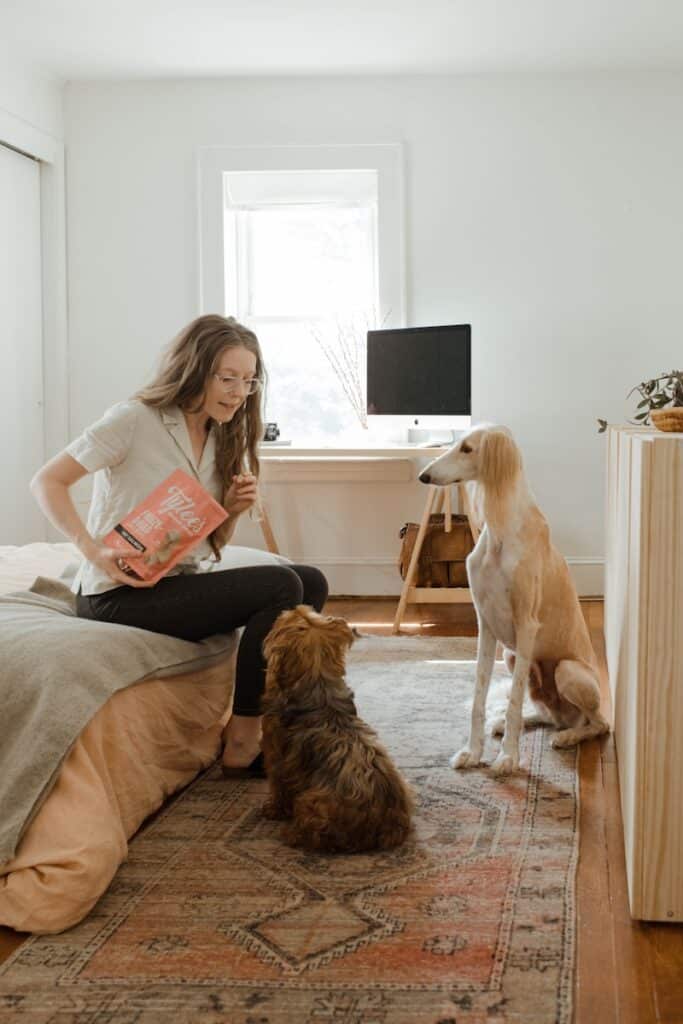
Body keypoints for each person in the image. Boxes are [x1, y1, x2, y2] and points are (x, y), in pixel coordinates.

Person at [30, 314, 328, 777]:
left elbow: (206, 544)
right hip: (117, 596)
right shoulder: (134, 419)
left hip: (174, 581)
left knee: (310, 582)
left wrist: (228, 508)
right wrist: (93, 551)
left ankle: (288, 721)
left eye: (248, 381)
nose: (238, 392)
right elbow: (47, 481)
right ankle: (244, 738)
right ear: (195, 370)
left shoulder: (219, 435)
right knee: (280, 585)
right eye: (228, 378)